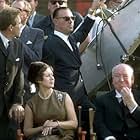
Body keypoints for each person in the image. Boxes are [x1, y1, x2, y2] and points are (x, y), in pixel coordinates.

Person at [42, 5, 100, 139]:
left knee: (93, 119)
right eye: (66, 18)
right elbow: (48, 72)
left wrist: (92, 10)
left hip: (80, 94)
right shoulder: (50, 43)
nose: (71, 21)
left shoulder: (70, 39)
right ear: (55, 21)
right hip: (65, 98)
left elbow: (83, 31)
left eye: (72, 18)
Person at [23, 61, 78, 140]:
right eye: (48, 76)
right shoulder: (31, 104)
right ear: (38, 80)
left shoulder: (64, 97)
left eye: (52, 75)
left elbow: (74, 123)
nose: (52, 78)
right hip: (42, 137)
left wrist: (55, 124)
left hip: (63, 136)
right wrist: (43, 127)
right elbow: (27, 131)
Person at [94, 63, 140, 140]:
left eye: (125, 76)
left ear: (132, 80)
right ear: (112, 80)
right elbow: (99, 123)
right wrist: (108, 137)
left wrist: (132, 105)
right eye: (117, 76)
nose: (121, 80)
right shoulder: (101, 99)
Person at [11, 0, 44, 102]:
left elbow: (35, 60)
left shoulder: (36, 33)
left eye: (17, 10)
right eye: (12, 9)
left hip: (26, 88)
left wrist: (17, 39)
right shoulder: (3, 31)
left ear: (27, 14)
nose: (13, 12)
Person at [0, 7, 24, 139]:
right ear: (10, 27)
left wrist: (17, 102)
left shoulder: (18, 45)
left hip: (9, 110)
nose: (21, 26)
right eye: (19, 23)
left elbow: (19, 75)